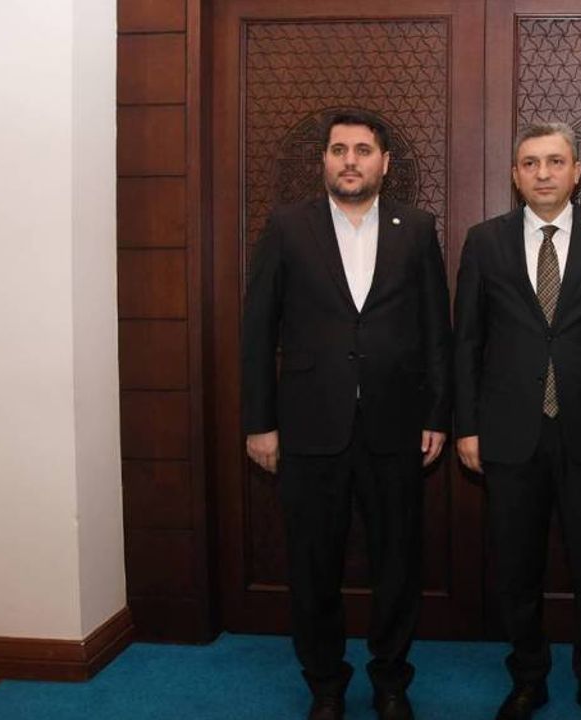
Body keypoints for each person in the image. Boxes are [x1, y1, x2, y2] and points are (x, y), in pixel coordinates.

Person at [241, 110, 451, 720]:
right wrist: (259, 422)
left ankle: (391, 681)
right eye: (338, 150)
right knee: (313, 567)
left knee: (397, 565)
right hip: (309, 427)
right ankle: (325, 684)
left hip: (397, 426)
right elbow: (258, 332)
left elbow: (436, 332)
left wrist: (437, 414)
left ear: (385, 162)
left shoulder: (417, 229)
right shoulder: (287, 227)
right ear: (324, 161)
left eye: (362, 150)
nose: (350, 160)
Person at [453, 121, 581, 720]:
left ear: (577, 171)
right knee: (516, 568)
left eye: (555, 162)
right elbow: (466, 343)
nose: (543, 173)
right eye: (531, 163)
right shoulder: (484, 241)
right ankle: (528, 677)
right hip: (510, 432)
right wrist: (467, 426)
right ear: (515, 176)